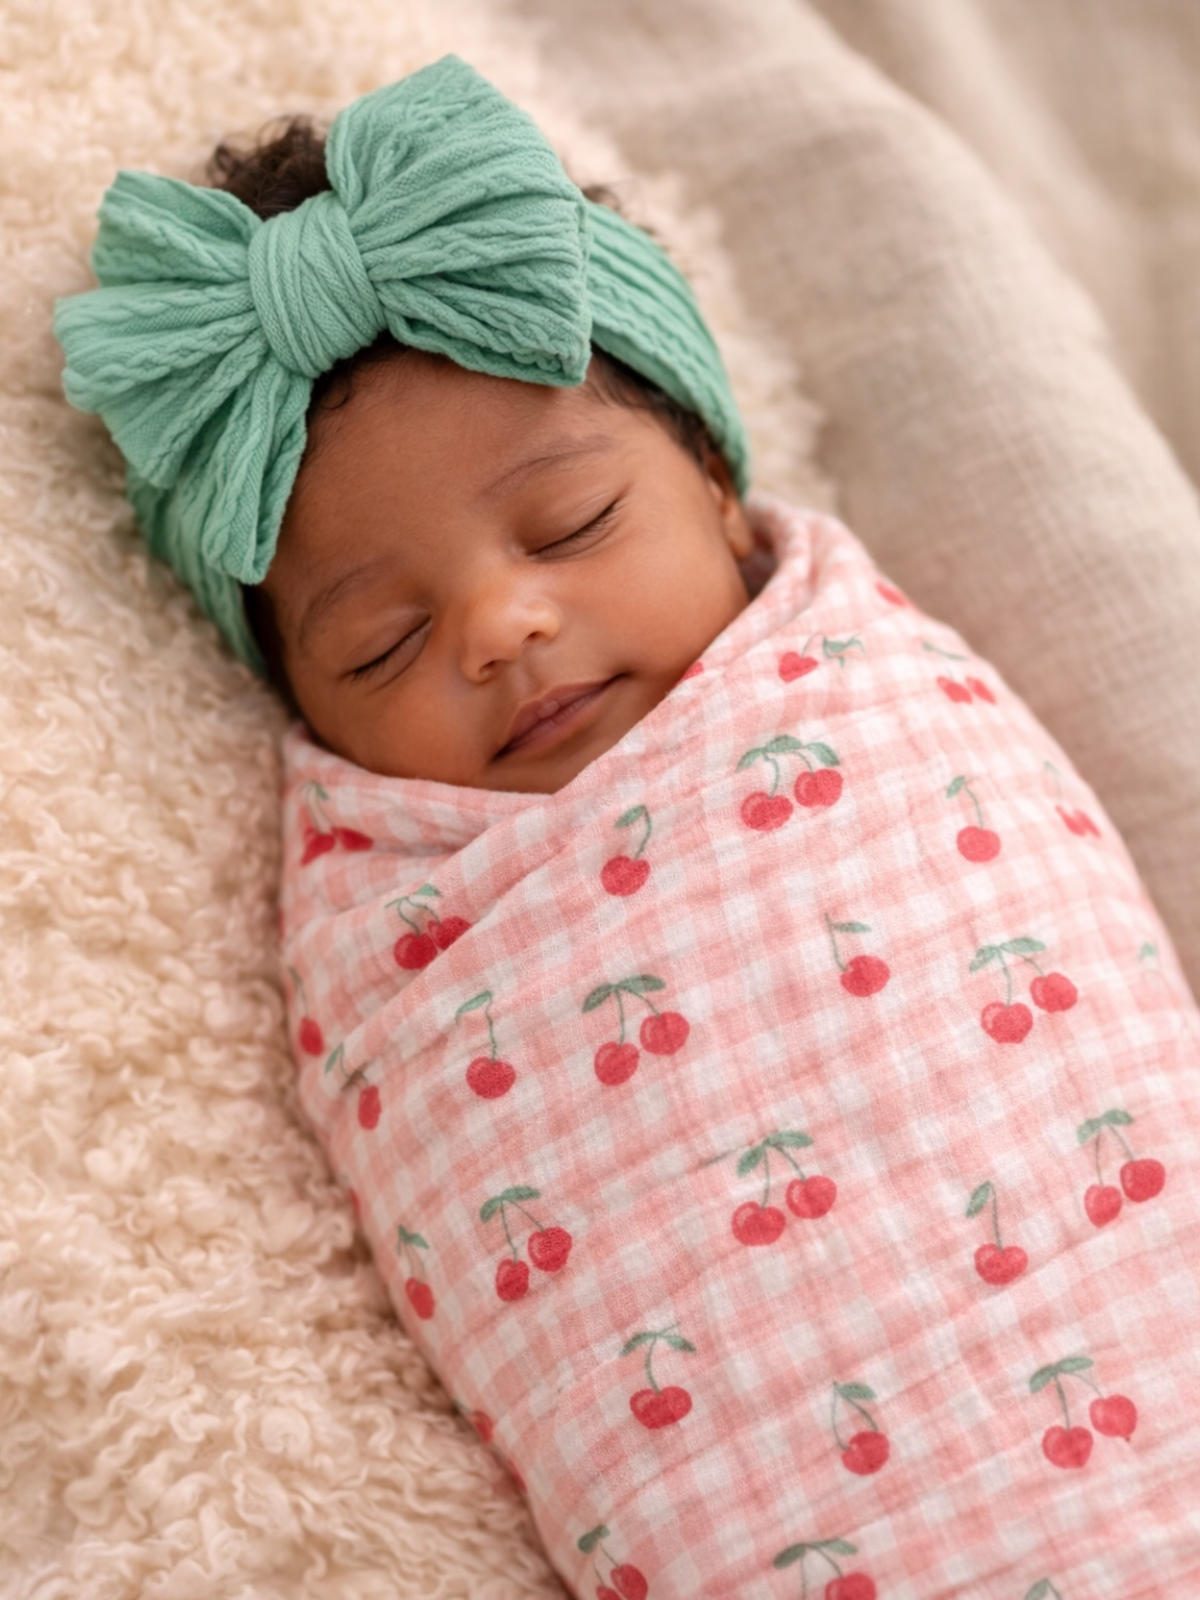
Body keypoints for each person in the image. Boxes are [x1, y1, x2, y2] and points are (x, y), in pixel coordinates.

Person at [54, 53, 1200, 1600]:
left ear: (721, 486)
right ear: (308, 716)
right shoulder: (387, 936)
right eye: (382, 640)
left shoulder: (869, 698)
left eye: (573, 527)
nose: (503, 625)